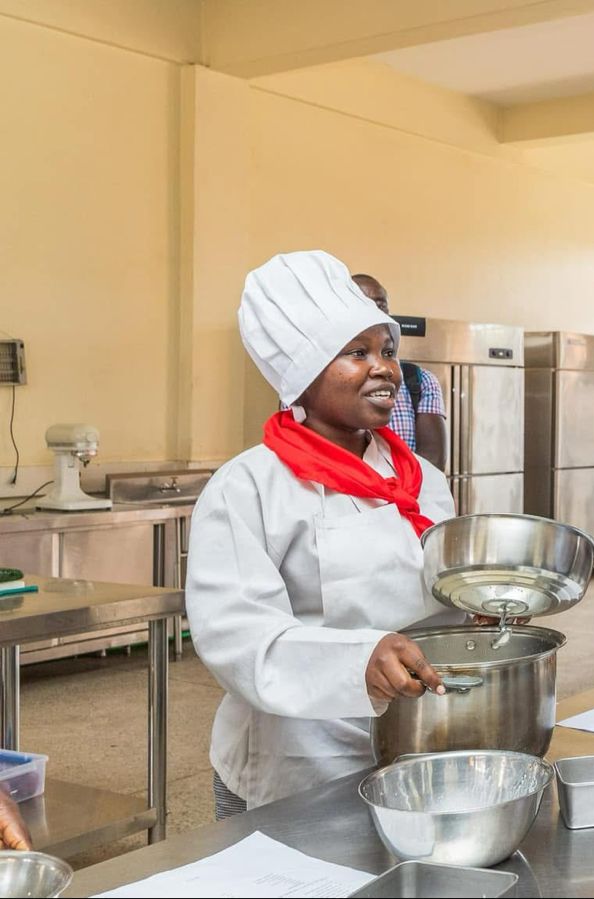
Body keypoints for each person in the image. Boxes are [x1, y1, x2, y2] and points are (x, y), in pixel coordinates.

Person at [188, 251, 458, 819]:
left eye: (386, 350)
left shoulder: (421, 481)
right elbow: (237, 637)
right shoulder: (251, 486)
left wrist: (474, 609)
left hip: (414, 746)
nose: (384, 367)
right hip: (297, 762)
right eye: (356, 353)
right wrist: (357, 659)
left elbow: (434, 600)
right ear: (301, 377)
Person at [347, 274, 447, 471]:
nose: (372, 313)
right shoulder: (311, 383)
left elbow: (433, 462)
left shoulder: (419, 381)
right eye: (360, 304)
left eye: (380, 306)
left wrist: (391, 498)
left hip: (405, 497)